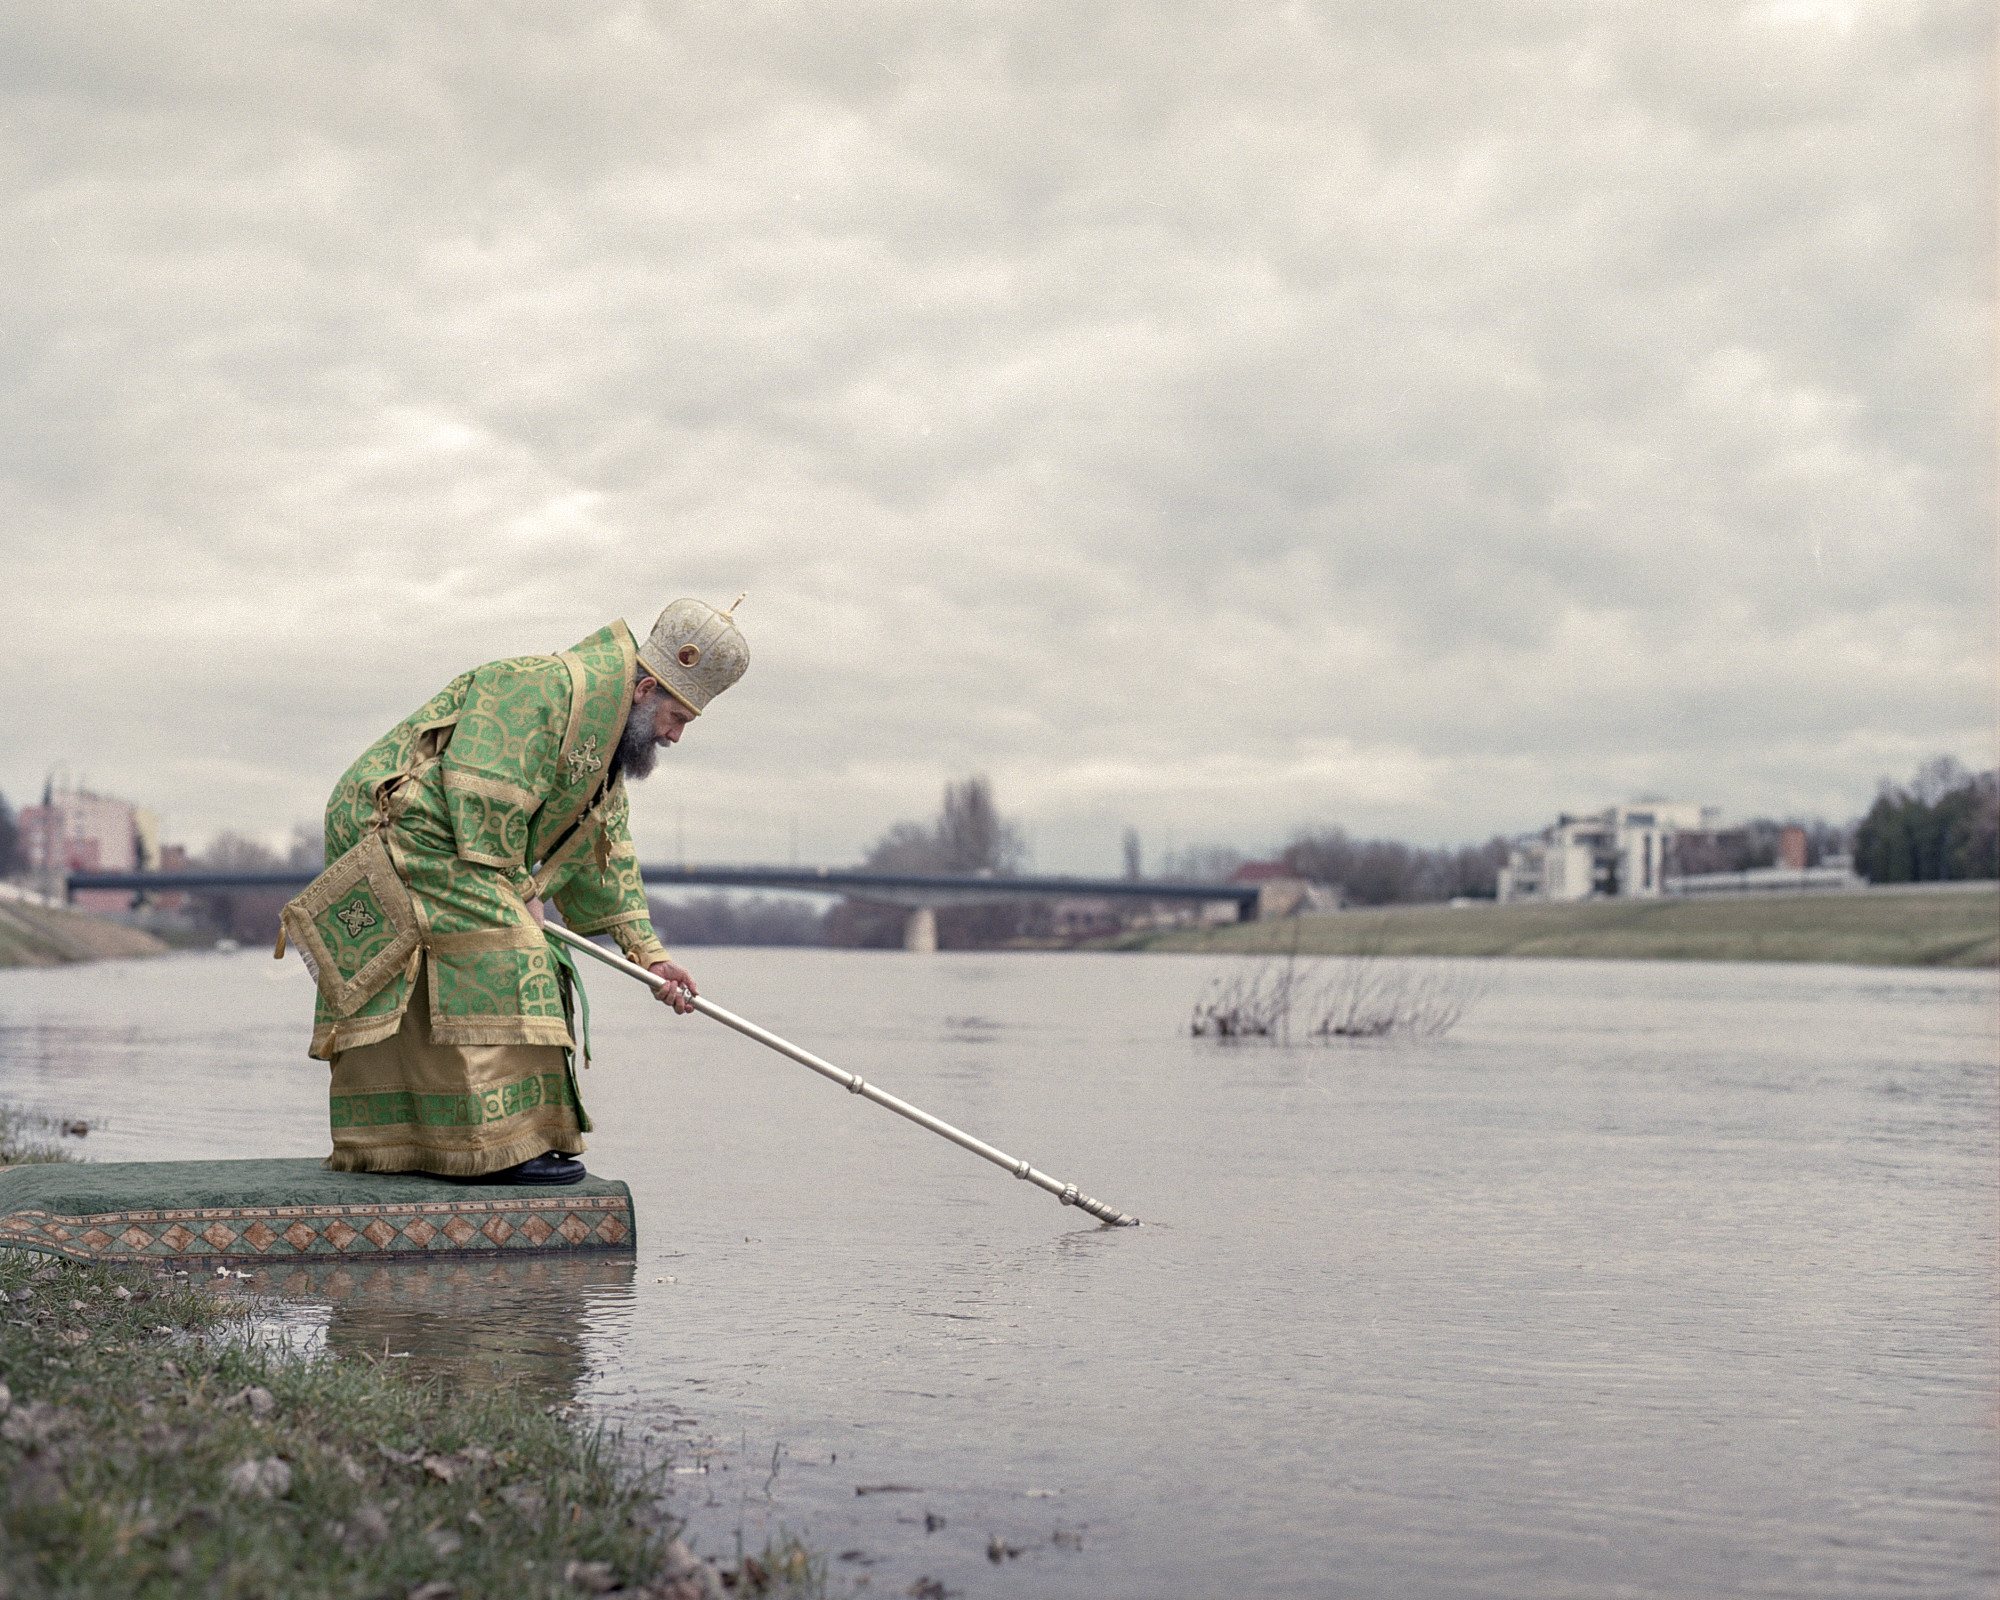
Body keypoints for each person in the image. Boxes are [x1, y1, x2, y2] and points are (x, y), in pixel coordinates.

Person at [279, 598, 748, 1186]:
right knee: (516, 953)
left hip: (454, 839)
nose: (675, 735)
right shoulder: (537, 686)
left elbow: (608, 856)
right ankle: (500, 1148)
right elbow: (480, 789)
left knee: (511, 955)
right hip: (403, 821)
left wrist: (651, 957)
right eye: (676, 717)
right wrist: (522, 889)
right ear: (645, 688)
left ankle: (416, 1143)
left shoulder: (604, 751)